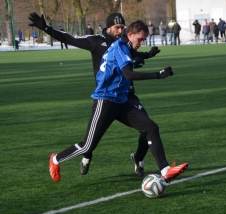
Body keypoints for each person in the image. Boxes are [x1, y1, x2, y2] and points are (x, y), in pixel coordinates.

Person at [28, 12, 167, 178]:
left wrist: (147, 55)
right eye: (117, 27)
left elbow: (132, 55)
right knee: (89, 144)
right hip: (106, 96)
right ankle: (83, 156)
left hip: (126, 95)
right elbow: (70, 39)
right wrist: (46, 28)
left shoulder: (124, 42)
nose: (120, 30)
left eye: (123, 27)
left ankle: (141, 159)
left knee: (149, 128)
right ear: (108, 27)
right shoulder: (96, 42)